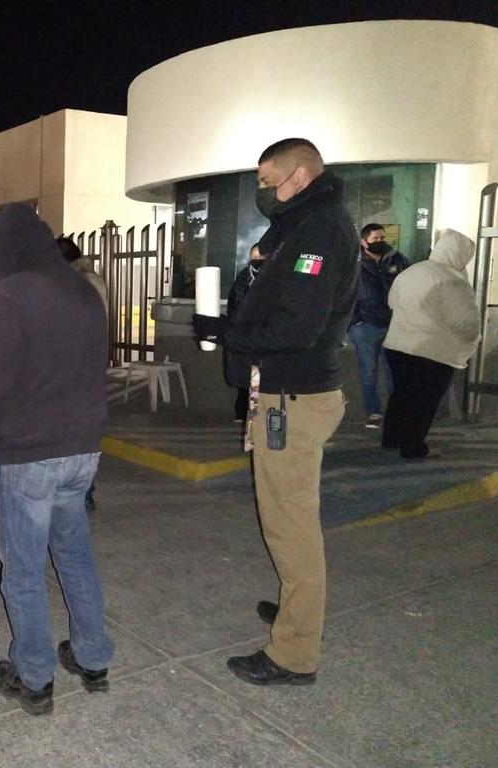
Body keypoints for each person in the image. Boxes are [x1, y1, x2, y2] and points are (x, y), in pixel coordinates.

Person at [192, 138, 359, 686]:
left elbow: (297, 326)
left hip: (294, 394)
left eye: (268, 181)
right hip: (288, 391)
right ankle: (296, 608)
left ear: (300, 176)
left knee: (290, 526)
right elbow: (273, 296)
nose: (262, 191)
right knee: (286, 517)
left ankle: (294, 653)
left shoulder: (320, 232)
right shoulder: (298, 226)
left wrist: (228, 332)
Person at [0, 205, 113, 716]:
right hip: (82, 449)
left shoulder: (14, 291)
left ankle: (34, 677)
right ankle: (93, 657)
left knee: (23, 569)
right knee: (75, 556)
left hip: (32, 454)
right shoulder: (83, 289)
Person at [382, 229, 480, 459]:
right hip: (432, 351)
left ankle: (392, 438)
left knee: (402, 394)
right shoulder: (453, 281)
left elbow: (392, 302)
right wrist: (472, 339)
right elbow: (465, 323)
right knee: (424, 400)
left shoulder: (412, 271)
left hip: (397, 345)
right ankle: (413, 447)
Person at [56, 235, 107, 510]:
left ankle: (82, 494)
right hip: (84, 368)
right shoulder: (87, 280)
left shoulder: (80, 283)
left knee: (77, 435)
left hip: (77, 368)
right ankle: (81, 494)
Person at [348, 223, 410, 429]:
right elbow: (343, 293)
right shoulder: (353, 263)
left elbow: (410, 285)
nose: (381, 241)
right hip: (365, 326)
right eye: (375, 239)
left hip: (394, 324)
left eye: (382, 238)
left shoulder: (397, 260)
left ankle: (396, 413)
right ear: (364, 242)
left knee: (395, 371)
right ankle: (373, 412)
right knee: (368, 371)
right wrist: (354, 321)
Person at [225, 243, 265, 422]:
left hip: (263, 337)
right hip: (245, 336)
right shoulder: (244, 277)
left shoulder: (276, 277)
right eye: (254, 257)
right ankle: (245, 412)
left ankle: (253, 413)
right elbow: (234, 304)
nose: (257, 261)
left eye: (260, 257)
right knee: (245, 377)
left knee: (257, 377)